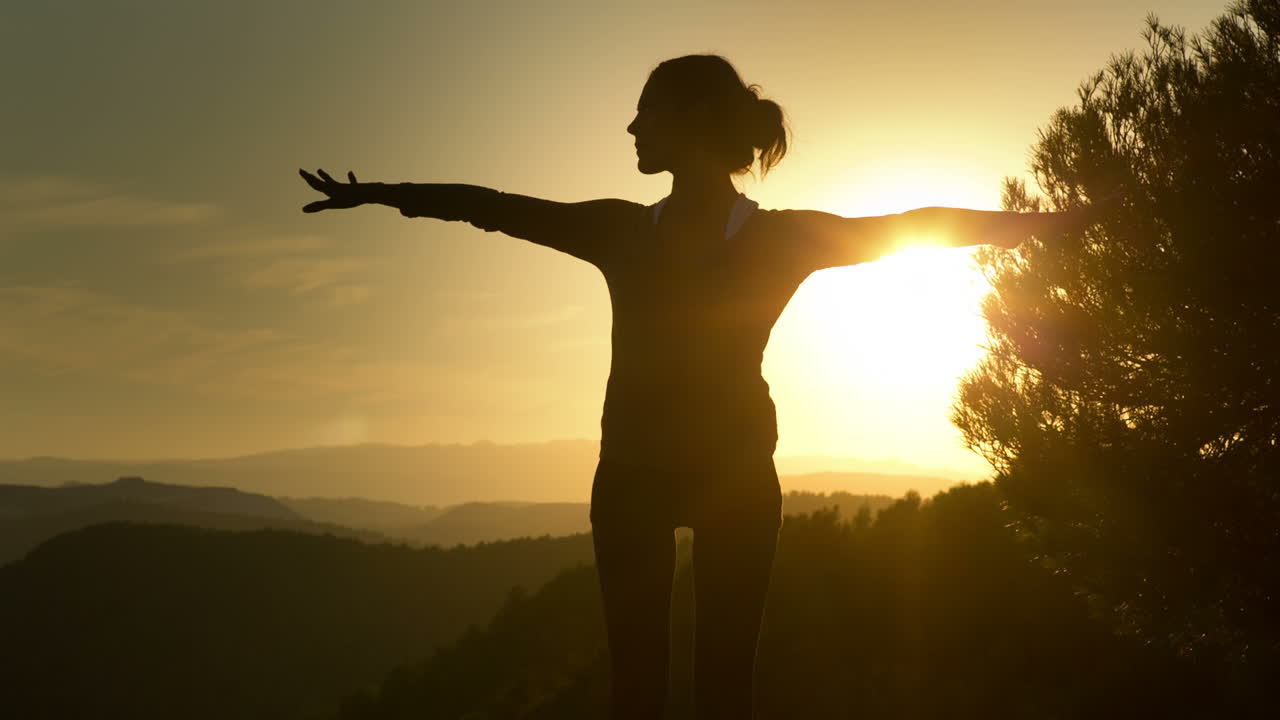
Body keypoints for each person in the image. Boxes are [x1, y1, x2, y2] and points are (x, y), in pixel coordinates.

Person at [299, 54, 1098, 720]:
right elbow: (495, 209)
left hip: (727, 482)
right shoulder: (636, 229)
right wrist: (384, 194)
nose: (632, 128)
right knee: (641, 692)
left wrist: (1049, 223)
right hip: (647, 482)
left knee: (721, 692)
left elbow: (915, 226)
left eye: (645, 113)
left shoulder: (754, 236)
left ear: (689, 122)